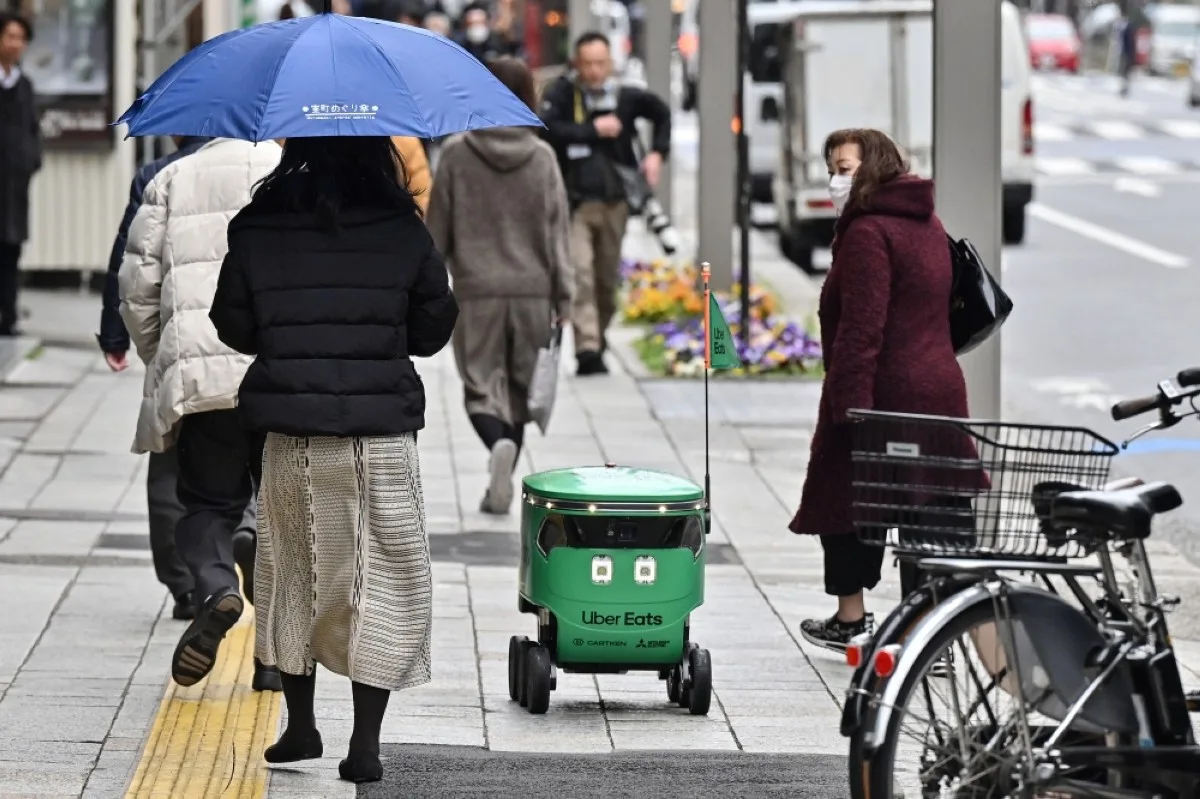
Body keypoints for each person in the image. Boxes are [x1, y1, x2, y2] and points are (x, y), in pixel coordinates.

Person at [209, 135, 457, 784]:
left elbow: (232, 324)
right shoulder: (401, 225)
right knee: (379, 580)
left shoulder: (259, 222)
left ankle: (300, 724)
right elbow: (433, 329)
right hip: (379, 436)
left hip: (291, 432)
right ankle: (365, 743)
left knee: (294, 572)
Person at [790, 128, 973, 652]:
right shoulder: (926, 223)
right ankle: (930, 636)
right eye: (832, 169)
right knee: (928, 509)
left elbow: (862, 327)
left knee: (842, 496)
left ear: (875, 167)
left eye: (845, 169)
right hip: (937, 389)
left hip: (882, 391)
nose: (834, 180)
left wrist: (848, 405)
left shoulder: (869, 233)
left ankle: (853, 619)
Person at [118, 137, 284, 692]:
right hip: (276, 375)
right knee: (281, 516)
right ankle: (273, 660)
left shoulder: (172, 178)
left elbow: (138, 289)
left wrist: (161, 359)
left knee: (206, 504)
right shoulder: (286, 169)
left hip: (199, 376)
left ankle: (215, 585)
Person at [427, 57, 571, 515]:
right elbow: (557, 232)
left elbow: (437, 232)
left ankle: (496, 452)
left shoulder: (455, 153)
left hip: (476, 290)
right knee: (520, 392)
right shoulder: (542, 157)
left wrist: (429, 285)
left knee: (481, 386)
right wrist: (564, 294)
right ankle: (501, 478)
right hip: (534, 291)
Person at [540, 31, 670, 376]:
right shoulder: (563, 95)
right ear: (577, 65)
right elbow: (547, 130)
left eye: (601, 63)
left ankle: (599, 334)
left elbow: (661, 112)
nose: (595, 71)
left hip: (616, 203)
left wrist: (657, 154)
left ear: (610, 63)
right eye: (588, 64)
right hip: (577, 204)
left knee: (605, 280)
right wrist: (593, 130)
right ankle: (587, 349)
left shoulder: (625, 98)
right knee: (579, 274)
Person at [0, 11, 40, 337]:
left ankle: (9, 315)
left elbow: (32, 130)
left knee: (11, 249)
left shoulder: (24, 85)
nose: (15, 43)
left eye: (20, 38)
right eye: (9, 36)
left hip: (15, 183)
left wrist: (30, 161)